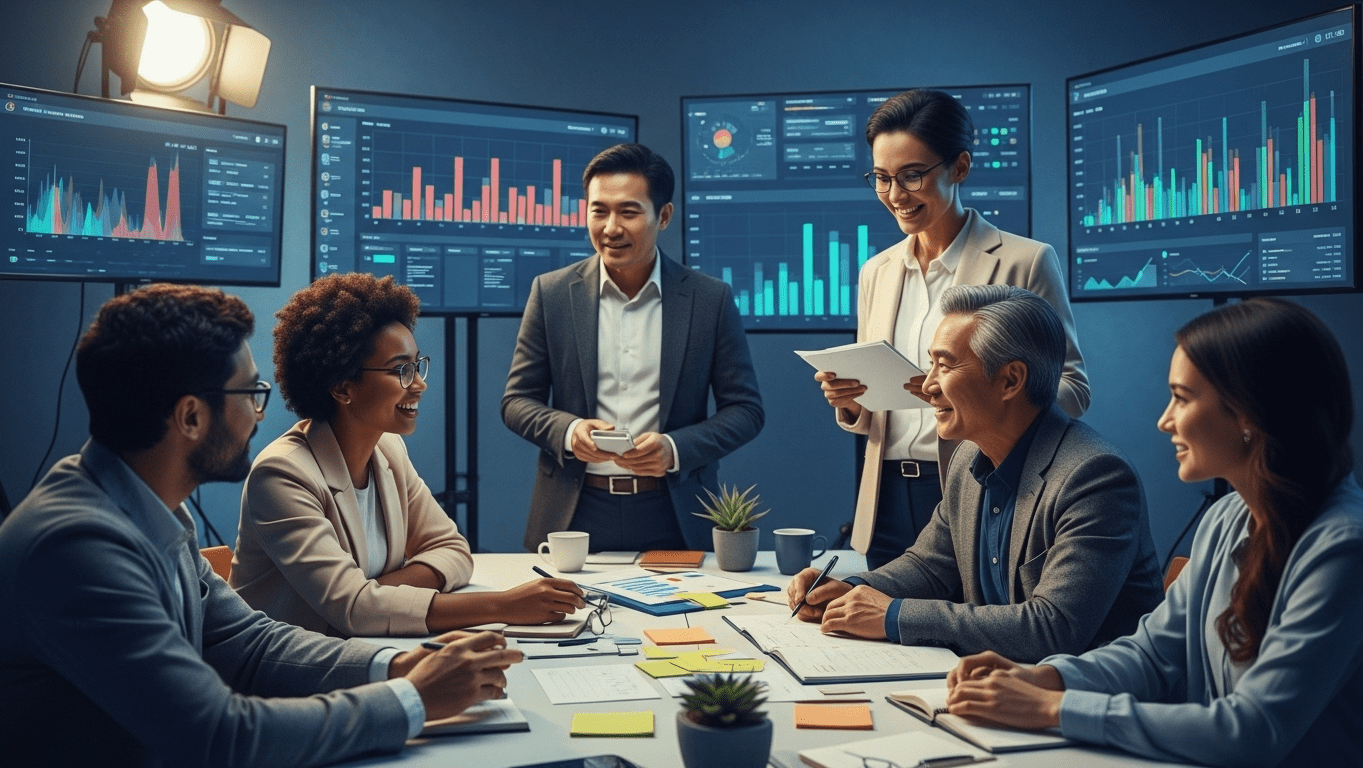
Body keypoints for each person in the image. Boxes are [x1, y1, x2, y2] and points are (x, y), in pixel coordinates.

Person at [0, 284, 523, 766]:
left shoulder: (144, 510)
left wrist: (398, 663)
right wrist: (412, 699)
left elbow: (247, 643)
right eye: (251, 394)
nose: (260, 413)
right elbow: (219, 736)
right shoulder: (79, 547)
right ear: (191, 417)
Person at [943, 298, 1363, 767]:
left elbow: (1255, 730)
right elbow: (1153, 655)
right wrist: (1046, 679)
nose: (1165, 420)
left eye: (1181, 398)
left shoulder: (1343, 548)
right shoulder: (1227, 517)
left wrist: (1054, 709)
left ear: (1249, 413)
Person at [788, 285, 1160, 662]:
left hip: (1083, 704)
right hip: (1001, 687)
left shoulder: (1095, 478)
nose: (928, 385)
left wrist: (893, 616)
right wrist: (845, 589)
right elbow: (929, 567)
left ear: (1011, 380)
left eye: (945, 366)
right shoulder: (968, 458)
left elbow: (1052, 628)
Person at [815, 89, 1090, 570]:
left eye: (912, 176)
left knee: (963, 632)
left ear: (959, 167)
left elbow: (1073, 389)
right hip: (884, 497)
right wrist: (853, 403)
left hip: (983, 488)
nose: (896, 196)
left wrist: (981, 399)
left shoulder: (1024, 262)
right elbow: (877, 409)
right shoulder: (876, 272)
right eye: (881, 179)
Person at [232, 273, 585, 637]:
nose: (419, 383)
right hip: (282, 677)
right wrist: (503, 605)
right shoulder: (282, 475)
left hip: (357, 651)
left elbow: (452, 550)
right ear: (341, 387)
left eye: (417, 365)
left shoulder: (388, 450)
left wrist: (376, 597)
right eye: (401, 370)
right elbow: (354, 610)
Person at [501, 143, 764, 552]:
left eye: (628, 212)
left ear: (663, 216)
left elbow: (746, 411)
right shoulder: (551, 293)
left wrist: (675, 448)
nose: (610, 228)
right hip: (574, 512)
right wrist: (570, 432)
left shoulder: (709, 299)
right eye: (598, 210)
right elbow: (517, 401)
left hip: (675, 512)